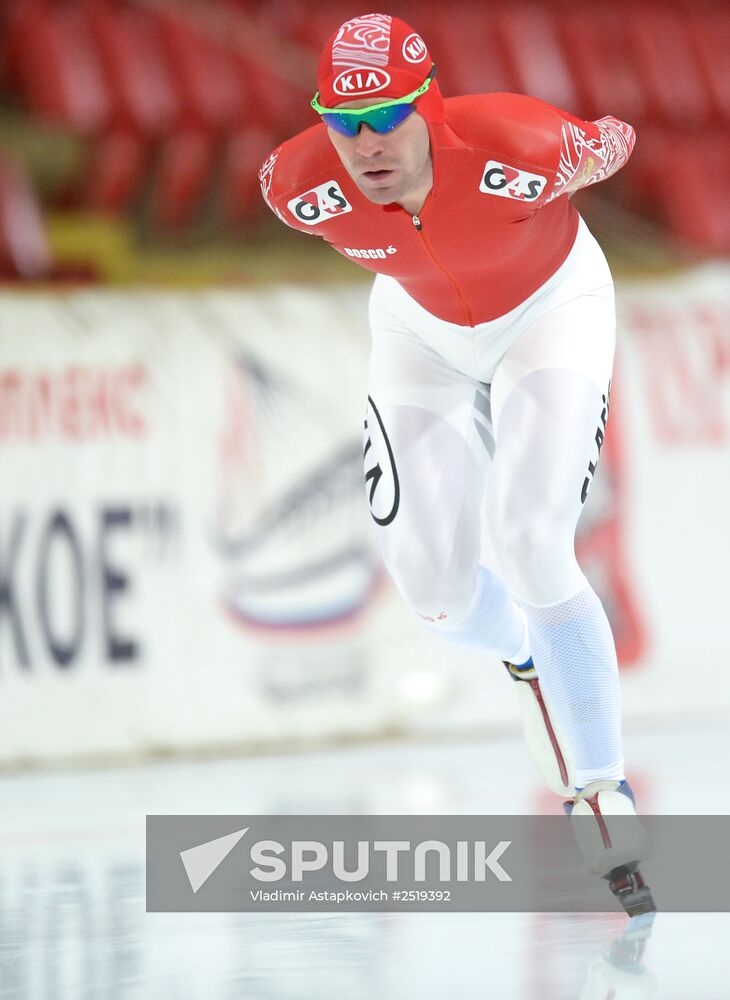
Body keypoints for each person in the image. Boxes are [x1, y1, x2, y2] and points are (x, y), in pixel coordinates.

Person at [259, 12, 653, 914]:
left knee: (529, 537)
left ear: (428, 105)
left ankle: (599, 787)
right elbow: (289, 175)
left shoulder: (515, 142)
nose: (365, 144)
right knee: (433, 588)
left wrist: (587, 154)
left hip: (551, 308)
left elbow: (615, 140)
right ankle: (522, 651)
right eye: (343, 122)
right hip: (419, 332)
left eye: (386, 115)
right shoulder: (300, 187)